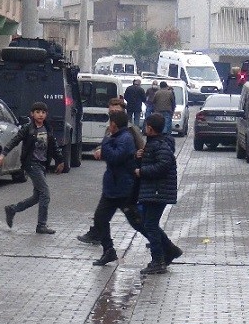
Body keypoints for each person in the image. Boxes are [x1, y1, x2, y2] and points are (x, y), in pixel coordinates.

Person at [77, 98, 145, 245]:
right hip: (114, 181)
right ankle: (105, 245)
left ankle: (160, 242)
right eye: (111, 111)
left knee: (135, 219)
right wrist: (99, 149)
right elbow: (105, 146)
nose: (113, 114)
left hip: (125, 182)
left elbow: (138, 149)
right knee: (102, 215)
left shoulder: (130, 130)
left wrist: (136, 156)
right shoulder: (110, 130)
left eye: (116, 111)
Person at [0, 102, 65, 235]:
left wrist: (60, 160)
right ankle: (41, 225)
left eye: (43, 112)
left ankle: (12, 209)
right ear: (32, 114)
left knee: (37, 196)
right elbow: (14, 141)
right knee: (45, 193)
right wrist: (3, 154)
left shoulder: (47, 128)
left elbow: (54, 145)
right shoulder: (28, 128)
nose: (41, 115)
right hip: (32, 164)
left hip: (42, 165)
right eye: (38, 112)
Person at [91, 110, 139, 267]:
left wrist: (105, 143)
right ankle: (108, 250)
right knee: (100, 218)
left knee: (138, 223)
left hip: (123, 189)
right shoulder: (119, 137)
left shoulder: (125, 138)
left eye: (109, 124)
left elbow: (115, 157)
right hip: (112, 189)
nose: (108, 127)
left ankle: (164, 248)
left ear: (114, 125)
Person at [135, 113, 180, 274]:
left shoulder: (160, 145)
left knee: (150, 226)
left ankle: (158, 260)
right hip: (153, 191)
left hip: (157, 192)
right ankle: (168, 252)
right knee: (149, 224)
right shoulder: (154, 143)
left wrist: (142, 171)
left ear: (150, 128)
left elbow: (163, 165)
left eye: (146, 126)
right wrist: (140, 157)